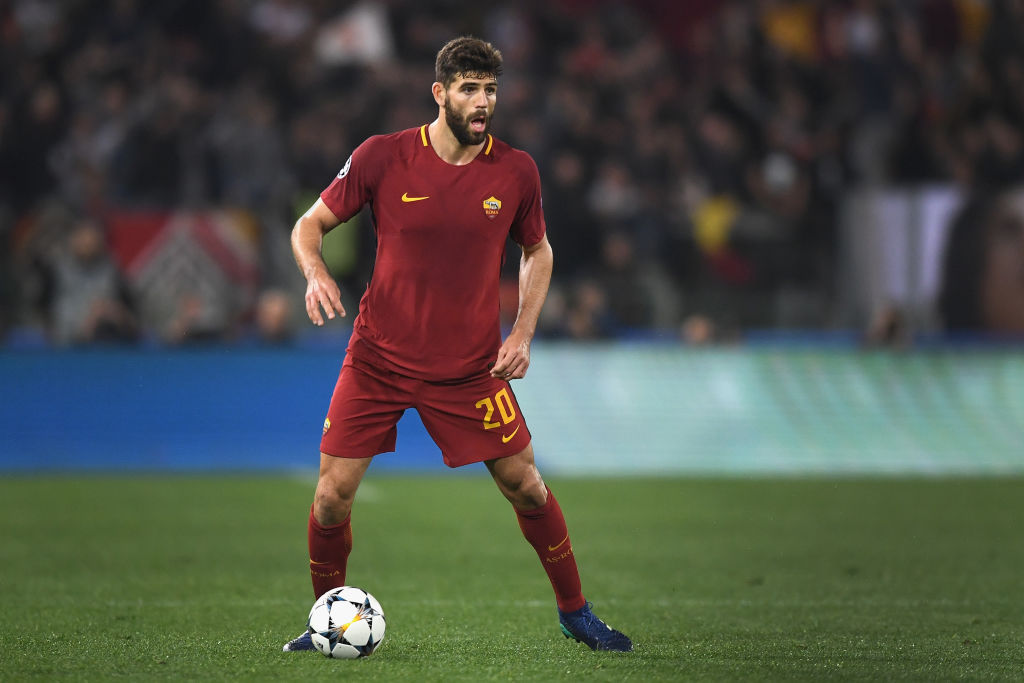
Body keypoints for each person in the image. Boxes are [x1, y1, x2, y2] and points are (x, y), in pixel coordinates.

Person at [282, 36, 632, 653]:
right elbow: (308, 225)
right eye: (469, 89)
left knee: (526, 484)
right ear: (440, 93)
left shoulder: (516, 170)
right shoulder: (382, 157)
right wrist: (315, 272)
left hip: (470, 369)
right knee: (332, 496)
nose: (482, 102)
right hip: (378, 359)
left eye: (490, 90)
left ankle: (575, 611)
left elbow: (538, 251)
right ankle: (325, 622)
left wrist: (522, 332)